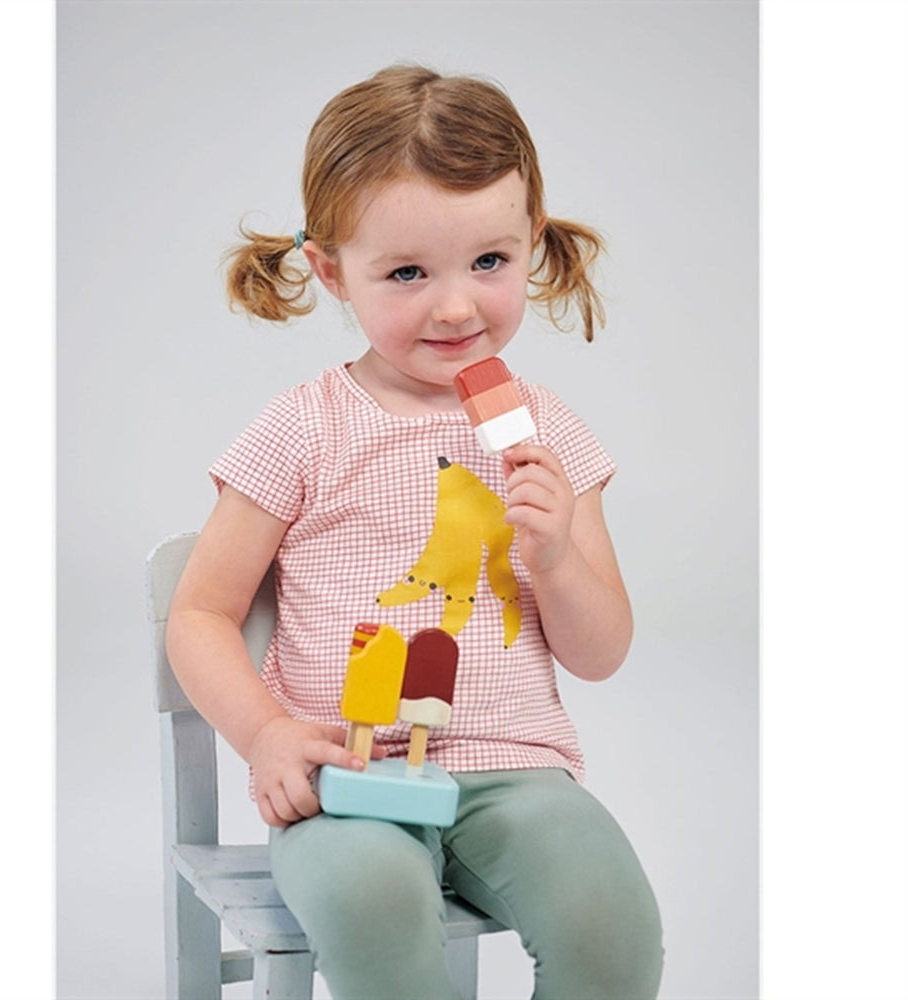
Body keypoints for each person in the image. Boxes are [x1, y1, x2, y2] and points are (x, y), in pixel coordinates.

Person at [166, 64, 663, 999]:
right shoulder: (304, 426)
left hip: (515, 775)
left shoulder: (550, 433)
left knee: (612, 924)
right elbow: (199, 613)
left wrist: (556, 558)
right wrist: (268, 735)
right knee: (374, 906)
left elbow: (601, 653)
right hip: (347, 779)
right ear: (331, 271)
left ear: (533, 241)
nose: (457, 306)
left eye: (490, 261)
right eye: (406, 273)